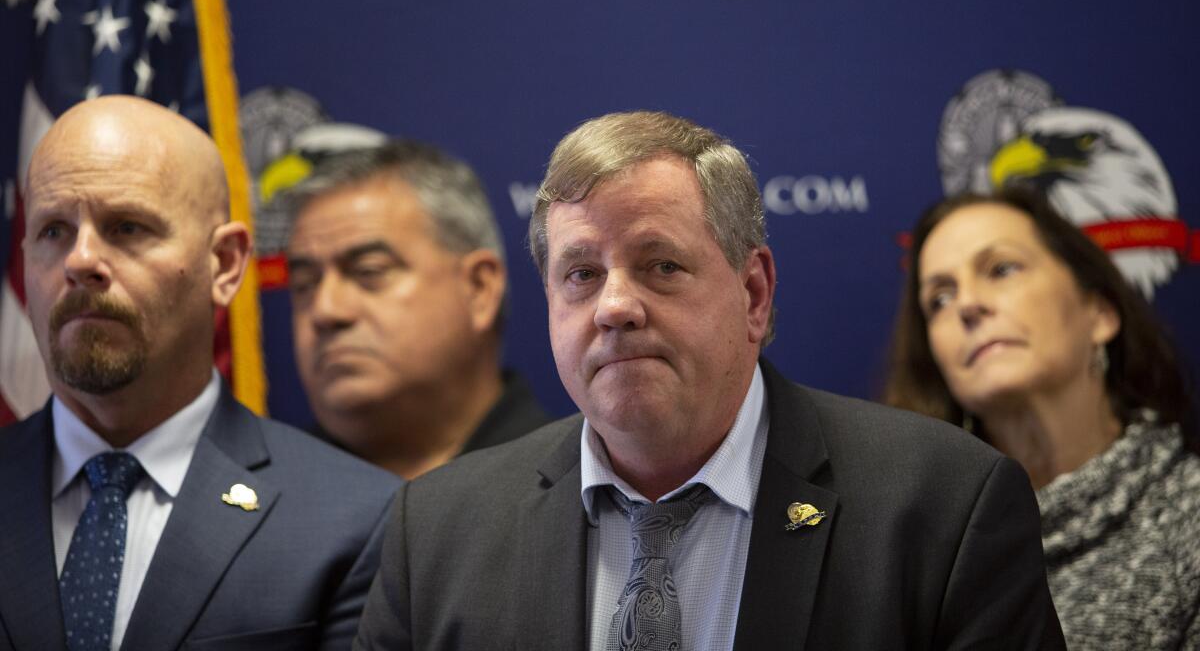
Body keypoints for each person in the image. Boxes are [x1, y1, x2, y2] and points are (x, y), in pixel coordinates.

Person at [354, 111, 1065, 649]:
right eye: (581, 274)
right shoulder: (437, 533)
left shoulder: (943, 508)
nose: (615, 307)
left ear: (754, 293)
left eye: (661, 265)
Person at [0, 96, 399, 651]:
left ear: (226, 264)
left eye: (126, 227)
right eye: (52, 232)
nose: (80, 259)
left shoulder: (355, 522)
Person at [885, 186, 1200, 650]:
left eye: (1001, 269)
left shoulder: (1188, 516)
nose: (968, 306)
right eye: (940, 298)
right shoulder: (909, 541)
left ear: (1099, 313)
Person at [285, 141, 551, 479]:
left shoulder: (577, 493)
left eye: (369, 271)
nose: (325, 310)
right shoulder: (265, 507)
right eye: (304, 285)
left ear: (479, 289)